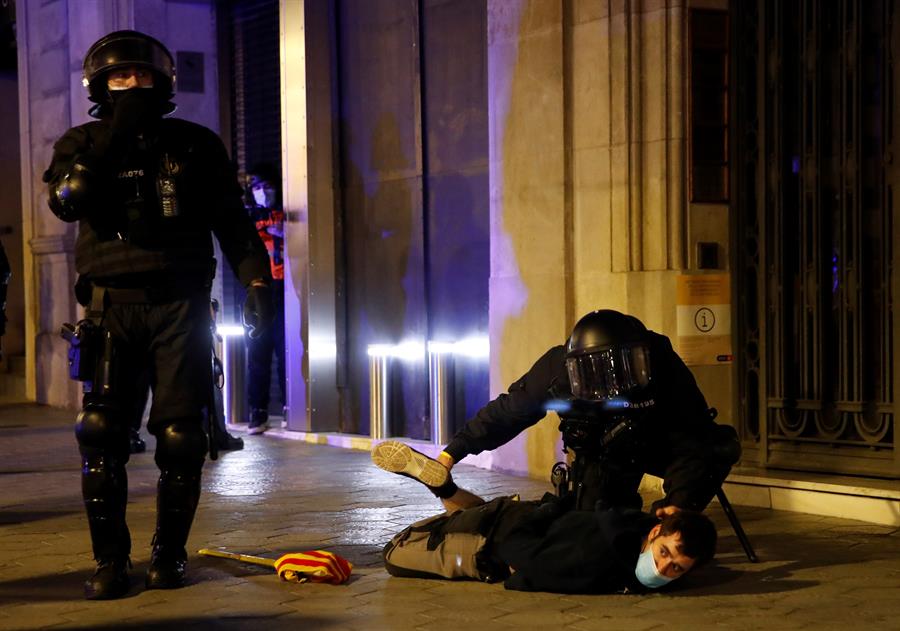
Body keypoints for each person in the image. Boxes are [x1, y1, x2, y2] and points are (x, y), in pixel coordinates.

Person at [44, 30, 273, 600]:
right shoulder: (81, 141)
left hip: (180, 306)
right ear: (100, 85)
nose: (131, 85)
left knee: (181, 436)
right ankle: (110, 561)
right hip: (112, 308)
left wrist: (256, 280)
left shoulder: (195, 145)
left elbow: (232, 221)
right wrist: (113, 140)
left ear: (162, 81)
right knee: (101, 435)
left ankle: (168, 556)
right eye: (119, 77)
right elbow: (66, 202)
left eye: (141, 75)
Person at [419, 309, 740, 516]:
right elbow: (508, 412)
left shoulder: (662, 360)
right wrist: (452, 453)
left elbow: (695, 433)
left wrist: (679, 506)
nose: (612, 390)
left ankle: (669, 520)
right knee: (594, 523)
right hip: (603, 449)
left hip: (659, 439)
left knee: (718, 446)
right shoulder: (556, 371)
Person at [374, 441, 717, 594]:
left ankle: (445, 488)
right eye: (664, 553)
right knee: (394, 556)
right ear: (655, 534)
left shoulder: (636, 525)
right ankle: (445, 496)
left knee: (475, 513)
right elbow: (524, 561)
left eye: (676, 568)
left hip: (521, 514)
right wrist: (517, 576)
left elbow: (682, 545)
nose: (663, 568)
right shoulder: (598, 556)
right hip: (489, 545)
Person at [243, 163, 286, 435]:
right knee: (257, 351)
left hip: (285, 287)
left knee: (285, 350)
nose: (263, 192)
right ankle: (257, 411)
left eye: (267, 186)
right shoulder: (248, 216)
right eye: (257, 187)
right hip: (259, 287)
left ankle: (289, 406)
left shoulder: (287, 212)